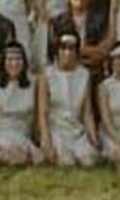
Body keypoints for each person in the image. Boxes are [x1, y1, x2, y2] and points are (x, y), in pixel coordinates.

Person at [38, 32, 99, 166]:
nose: (67, 53)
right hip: (56, 130)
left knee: (90, 160)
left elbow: (87, 112)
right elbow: (43, 112)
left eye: (71, 48)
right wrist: (46, 139)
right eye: (63, 48)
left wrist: (93, 138)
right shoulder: (47, 74)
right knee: (67, 162)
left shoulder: (84, 74)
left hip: (76, 130)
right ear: (57, 51)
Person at [0, 41, 44, 165]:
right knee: (14, 152)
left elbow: (37, 118)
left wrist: (38, 138)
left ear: (24, 62)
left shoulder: (34, 83)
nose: (14, 63)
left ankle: (7, 158)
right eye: (10, 59)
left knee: (38, 157)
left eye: (18, 59)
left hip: (23, 135)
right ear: (3, 62)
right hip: (2, 134)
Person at [49, 0, 112, 78]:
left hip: (95, 73)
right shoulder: (58, 22)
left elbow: (104, 51)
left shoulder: (102, 19)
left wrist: (75, 51)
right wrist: (89, 51)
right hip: (66, 75)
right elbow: (56, 54)